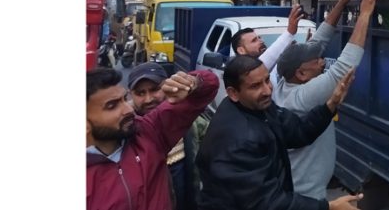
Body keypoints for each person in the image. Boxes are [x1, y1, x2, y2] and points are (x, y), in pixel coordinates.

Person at [196, 56, 363, 210]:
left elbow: (297, 131)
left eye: (267, 80)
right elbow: (267, 203)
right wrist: (328, 207)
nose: (268, 90)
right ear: (233, 93)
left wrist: (330, 105)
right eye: (255, 86)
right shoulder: (240, 140)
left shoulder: (258, 107)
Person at [272, 0, 380, 199]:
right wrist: (365, 11)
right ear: (301, 73)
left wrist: (342, 1)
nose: (322, 62)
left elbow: (318, 41)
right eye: (317, 61)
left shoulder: (284, 82)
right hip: (306, 194)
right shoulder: (303, 97)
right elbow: (345, 64)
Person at [86, 66, 218, 210]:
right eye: (112, 106)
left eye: (124, 99)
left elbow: (209, 86)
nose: (128, 109)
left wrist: (192, 82)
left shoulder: (148, 133)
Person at [128, 62, 209, 210]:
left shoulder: (188, 119)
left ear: (167, 86)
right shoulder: (125, 130)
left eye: (155, 90)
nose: (148, 99)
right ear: (130, 94)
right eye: (140, 93)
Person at [218, 4, 305, 85]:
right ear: (241, 50)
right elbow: (267, 59)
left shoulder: (272, 64)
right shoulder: (241, 72)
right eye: (254, 40)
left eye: (259, 38)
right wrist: (289, 32)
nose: (261, 41)